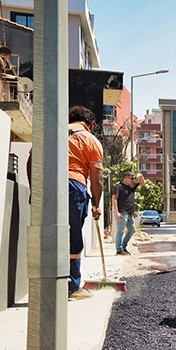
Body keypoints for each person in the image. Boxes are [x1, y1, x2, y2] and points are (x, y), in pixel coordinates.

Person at [67, 106, 104, 300]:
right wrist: (96, 205)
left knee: (46, 233)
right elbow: (97, 179)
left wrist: (34, 190)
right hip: (74, 185)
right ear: (91, 124)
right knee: (73, 235)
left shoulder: (52, 132)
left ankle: (45, 282)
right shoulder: (90, 140)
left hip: (47, 183)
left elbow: (31, 160)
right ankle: (72, 286)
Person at [112, 171, 145, 255]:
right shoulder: (118, 186)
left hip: (130, 213)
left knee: (132, 229)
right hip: (122, 212)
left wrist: (140, 176)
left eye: (134, 178)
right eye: (132, 178)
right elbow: (114, 199)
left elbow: (142, 183)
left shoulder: (131, 186)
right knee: (120, 231)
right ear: (126, 178)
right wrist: (116, 212)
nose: (133, 180)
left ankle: (123, 246)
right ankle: (119, 249)